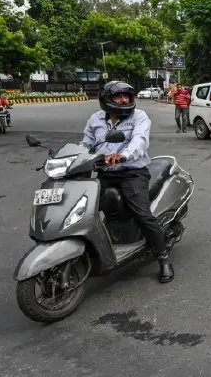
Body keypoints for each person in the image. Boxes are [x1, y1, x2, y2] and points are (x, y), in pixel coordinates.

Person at [81, 81, 174, 283]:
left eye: (127, 96)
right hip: (105, 173)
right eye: (118, 96)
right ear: (106, 99)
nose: (124, 100)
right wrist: (70, 158)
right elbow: (86, 144)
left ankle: (163, 257)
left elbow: (140, 140)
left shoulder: (139, 117)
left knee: (143, 214)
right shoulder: (95, 119)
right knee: (86, 212)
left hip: (132, 172)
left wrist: (123, 156)